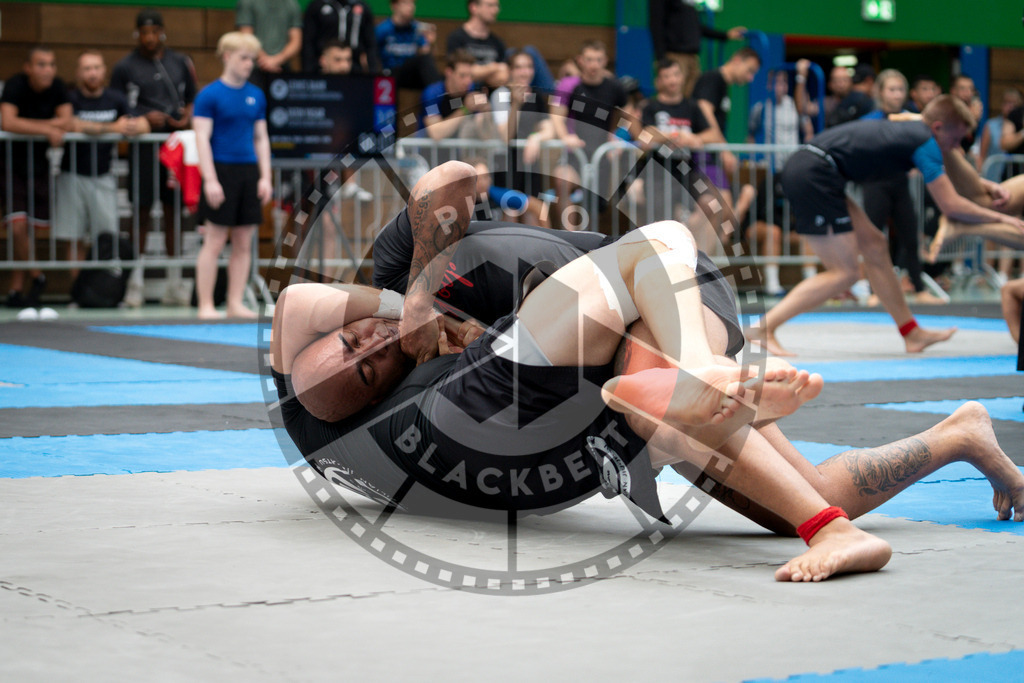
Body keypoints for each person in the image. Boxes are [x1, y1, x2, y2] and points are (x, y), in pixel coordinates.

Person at [272, 161, 1024, 582]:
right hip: (630, 337)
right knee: (803, 490)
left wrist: (407, 293)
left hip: (670, 286)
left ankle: (700, 384)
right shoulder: (421, 396)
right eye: (367, 370)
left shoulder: (396, 273)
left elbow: (456, 175)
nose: (371, 346)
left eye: (351, 340)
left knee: (641, 364)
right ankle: (961, 436)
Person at [754, 95, 1024, 356]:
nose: (954, 148)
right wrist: (1005, 218)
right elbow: (951, 205)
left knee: (875, 245)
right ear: (938, 128)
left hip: (816, 168)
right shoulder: (926, 141)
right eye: (954, 140)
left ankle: (911, 333)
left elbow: (954, 180)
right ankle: (763, 329)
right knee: (845, 273)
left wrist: (986, 185)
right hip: (813, 174)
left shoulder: (913, 126)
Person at [192, 32, 272, 319]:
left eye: (252, 59)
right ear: (227, 57)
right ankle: (205, 304)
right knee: (214, 240)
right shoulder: (209, 95)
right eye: (243, 58)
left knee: (243, 241)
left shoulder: (256, 95)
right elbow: (201, 138)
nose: (249, 64)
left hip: (248, 170)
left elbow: (261, 138)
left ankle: (235, 302)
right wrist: (210, 179)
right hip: (222, 169)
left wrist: (265, 177)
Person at [109, 9, 198, 260]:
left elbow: (192, 98)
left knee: (173, 211)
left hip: (174, 144)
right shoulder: (124, 67)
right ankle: (134, 275)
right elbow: (116, 105)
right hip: (143, 146)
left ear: (162, 32)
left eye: (154, 32)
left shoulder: (180, 62)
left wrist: (186, 116)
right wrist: (143, 118)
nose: (149, 38)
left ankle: (175, 275)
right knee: (141, 210)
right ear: (137, 34)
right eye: (144, 33)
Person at [57, 50, 148, 279]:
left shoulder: (115, 98)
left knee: (106, 237)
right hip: (72, 175)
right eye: (87, 68)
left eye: (97, 67)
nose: (93, 73)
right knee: (74, 237)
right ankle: (77, 292)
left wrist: (131, 126)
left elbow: (143, 125)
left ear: (104, 70)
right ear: (79, 73)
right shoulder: (70, 98)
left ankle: (104, 290)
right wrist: (112, 128)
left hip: (103, 175)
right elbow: (72, 125)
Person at [857, 68, 943, 304]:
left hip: (899, 183)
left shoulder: (912, 119)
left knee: (910, 236)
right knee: (874, 238)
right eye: (892, 90)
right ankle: (874, 292)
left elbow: (923, 145)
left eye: (900, 90)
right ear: (881, 92)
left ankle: (919, 288)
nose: (896, 95)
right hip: (874, 184)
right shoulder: (869, 121)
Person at [0, 45, 73, 309]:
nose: (48, 70)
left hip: (38, 165)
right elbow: (7, 122)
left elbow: (67, 121)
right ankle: (36, 274)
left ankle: (16, 289)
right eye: (41, 64)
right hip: (9, 165)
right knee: (17, 225)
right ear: (28, 67)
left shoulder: (58, 87)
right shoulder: (15, 85)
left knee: (27, 229)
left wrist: (35, 126)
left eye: (52, 64)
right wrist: (46, 128)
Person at [647, 0, 745, 98]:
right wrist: (661, 59)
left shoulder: (690, 5)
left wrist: (725, 35)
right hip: (674, 55)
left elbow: (697, 26)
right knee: (672, 97)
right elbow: (656, 23)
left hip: (693, 57)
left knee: (693, 100)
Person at [420, 49, 496, 143]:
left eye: (470, 76)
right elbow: (436, 133)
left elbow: (486, 136)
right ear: (449, 73)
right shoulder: (433, 94)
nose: (468, 81)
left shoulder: (472, 90)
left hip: (461, 153)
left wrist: (486, 112)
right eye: (462, 76)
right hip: (429, 153)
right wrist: (465, 109)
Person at [235, 0, 303, 89]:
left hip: (282, 69)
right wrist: (266, 61)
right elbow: (246, 36)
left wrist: (276, 60)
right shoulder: (247, 2)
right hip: (253, 68)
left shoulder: (292, 4)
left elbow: (296, 41)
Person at [376, 0, 441, 91]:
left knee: (444, 79)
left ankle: (447, 101)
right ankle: (441, 99)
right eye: (406, 3)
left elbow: (426, 55)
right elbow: (371, 54)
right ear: (394, 6)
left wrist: (430, 42)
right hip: (391, 73)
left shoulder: (417, 28)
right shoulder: (382, 29)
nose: (411, 7)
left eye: (413, 3)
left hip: (411, 73)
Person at [445, 0, 508, 91]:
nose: (495, 10)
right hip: (464, 93)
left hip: (490, 94)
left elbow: (502, 77)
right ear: (474, 7)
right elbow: (458, 74)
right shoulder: (456, 38)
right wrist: (493, 68)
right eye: (490, 5)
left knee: (502, 93)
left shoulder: (497, 42)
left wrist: (477, 73)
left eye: (497, 6)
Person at [301, 0, 378, 74]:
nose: (342, 66)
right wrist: (308, 73)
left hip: (354, 66)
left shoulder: (362, 7)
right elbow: (308, 42)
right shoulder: (316, 6)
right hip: (321, 67)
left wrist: (372, 71)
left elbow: (370, 44)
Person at [825, 63, 874, 128]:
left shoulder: (860, 101)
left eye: (844, 80)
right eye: (836, 80)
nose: (841, 84)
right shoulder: (823, 104)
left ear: (851, 82)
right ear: (830, 84)